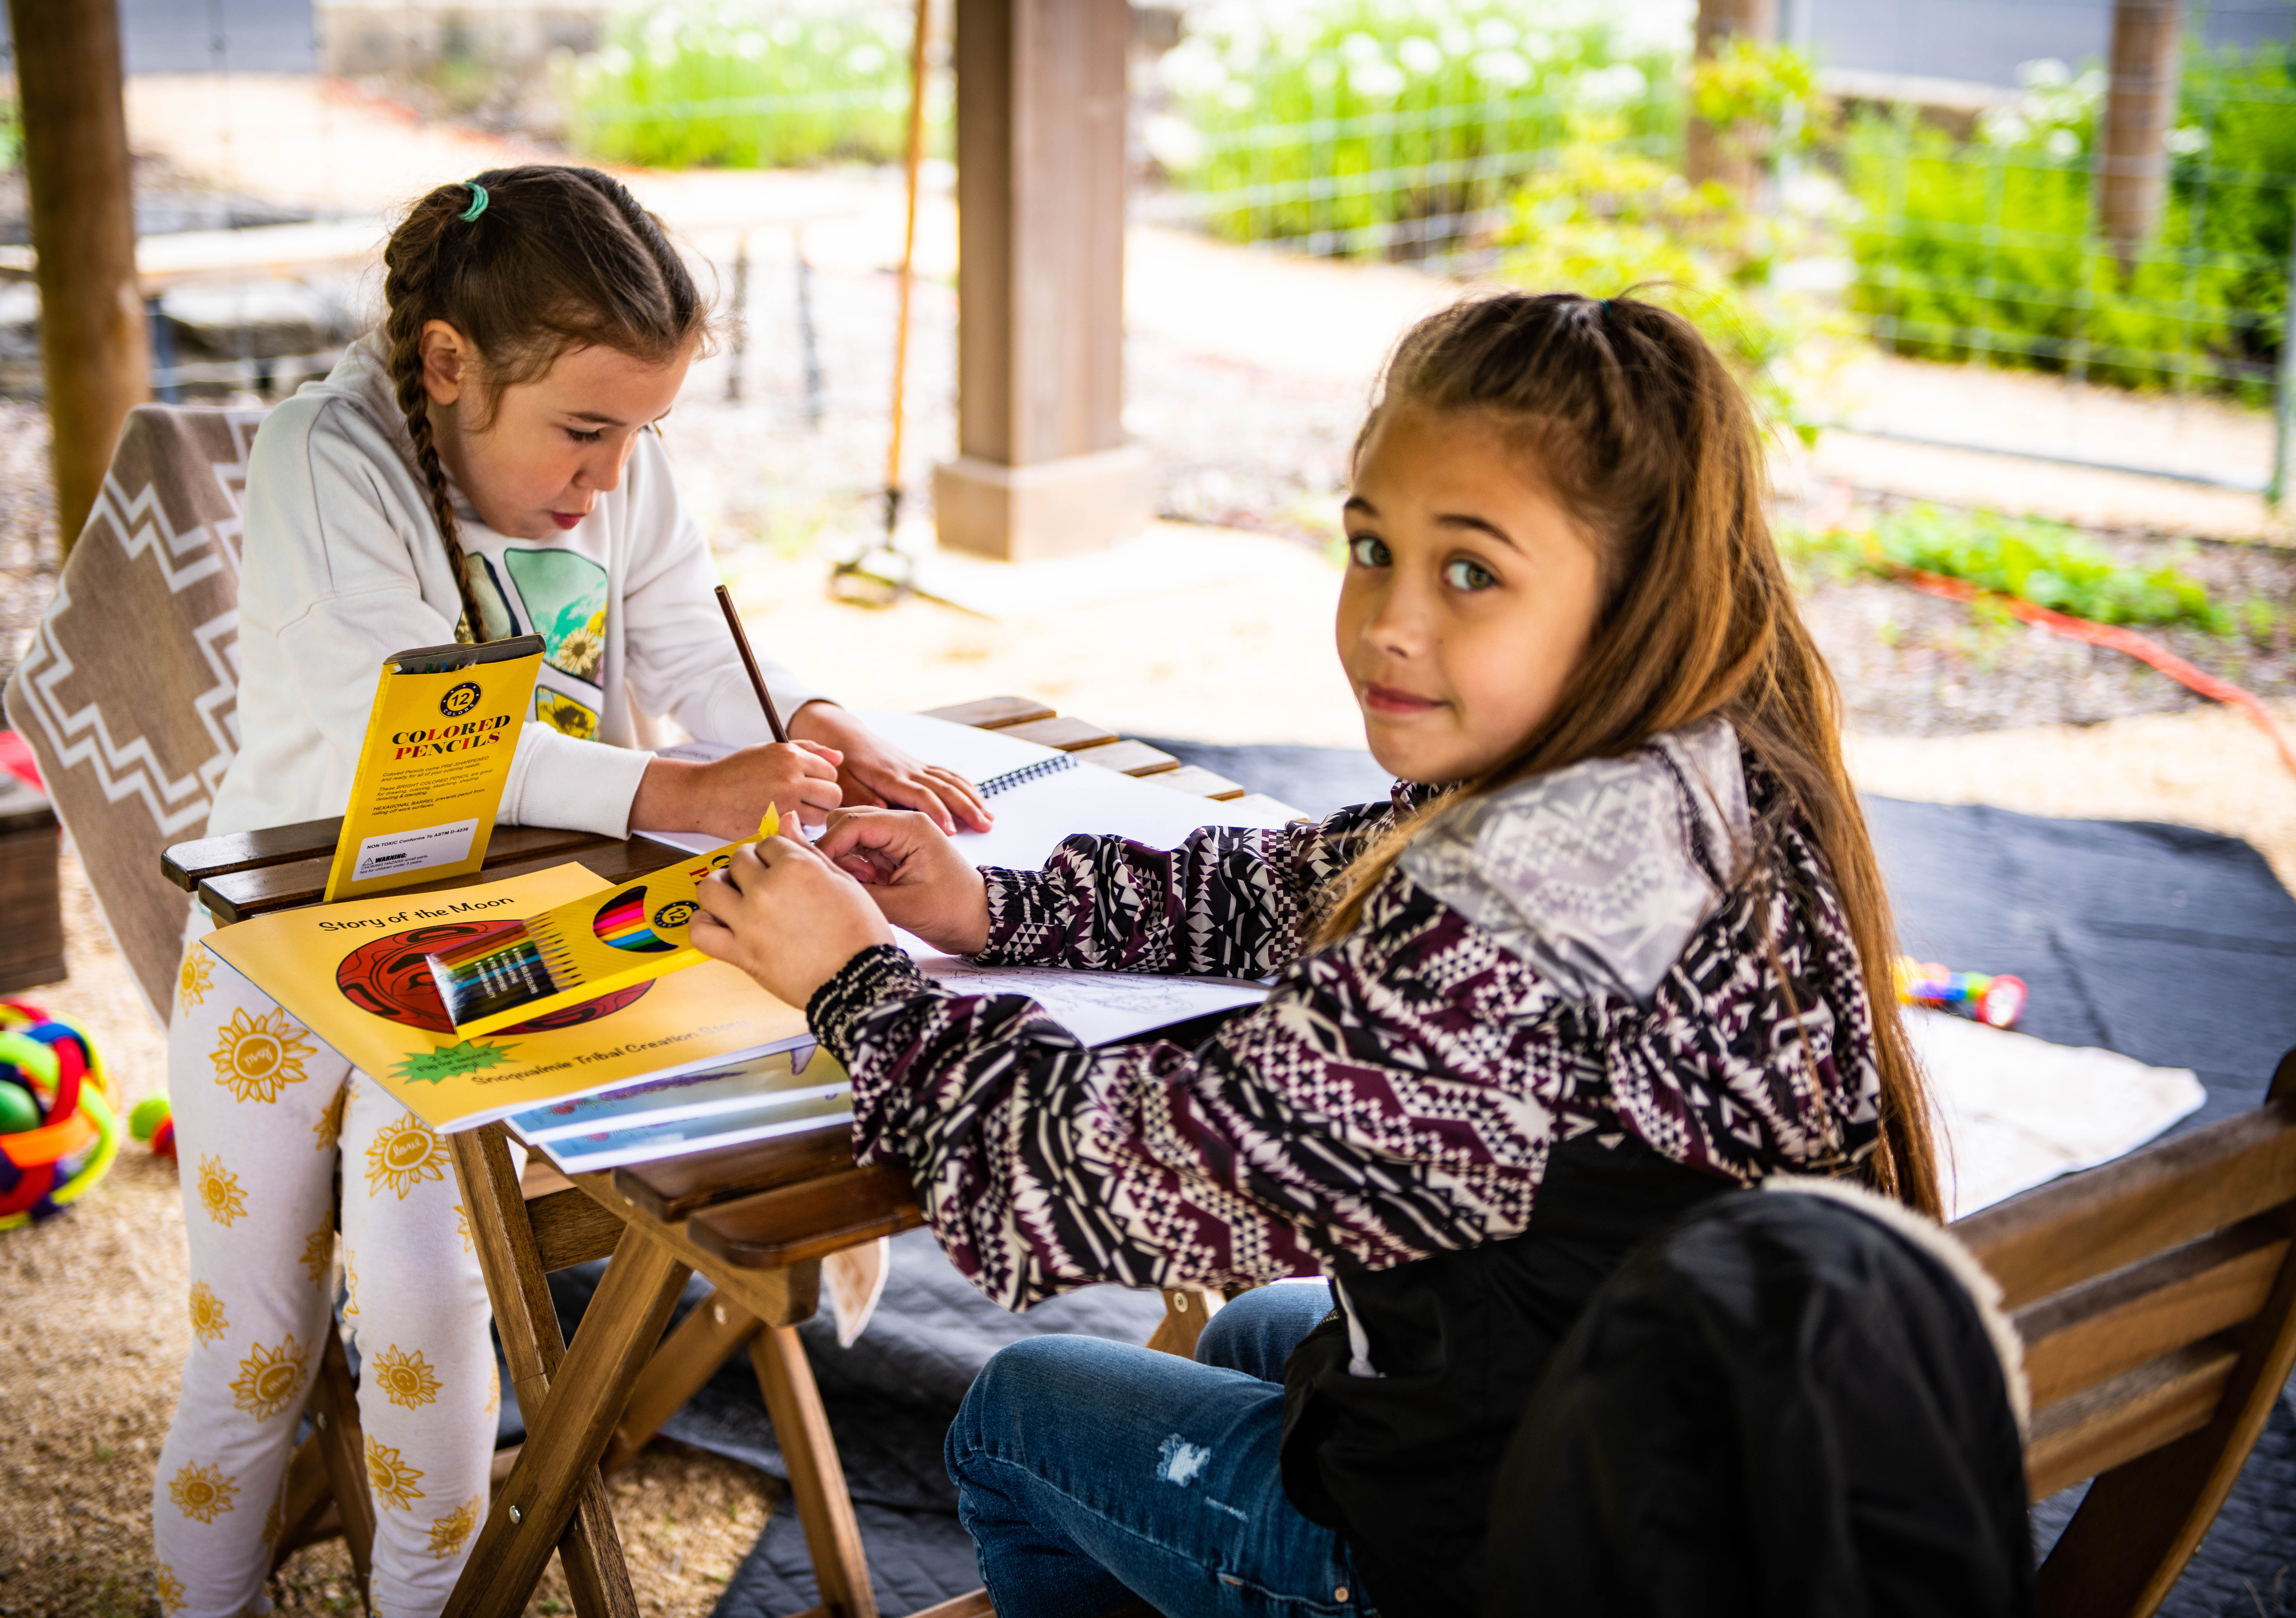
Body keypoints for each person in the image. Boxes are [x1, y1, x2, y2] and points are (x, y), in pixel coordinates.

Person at [687, 291, 1943, 1617]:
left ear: (1629, 593)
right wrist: (993, 903)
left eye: (1471, 571)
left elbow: (1058, 1175)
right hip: (1687, 1463)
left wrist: (851, 980)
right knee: (1252, 1331)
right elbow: (1309, 882)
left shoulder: (1519, 920)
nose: (1389, 621)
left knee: (1021, 1410)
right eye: (1368, 546)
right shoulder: (1700, 766)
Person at [151, 165, 985, 1618]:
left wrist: (810, 724)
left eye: (640, 434)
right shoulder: (323, 450)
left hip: (491, 964)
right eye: (586, 433)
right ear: (449, 362)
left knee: (432, 1347)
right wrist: (675, 791)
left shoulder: (621, 464)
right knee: (258, 1354)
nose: (609, 480)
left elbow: (693, 654)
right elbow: (395, 723)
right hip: (278, 955)